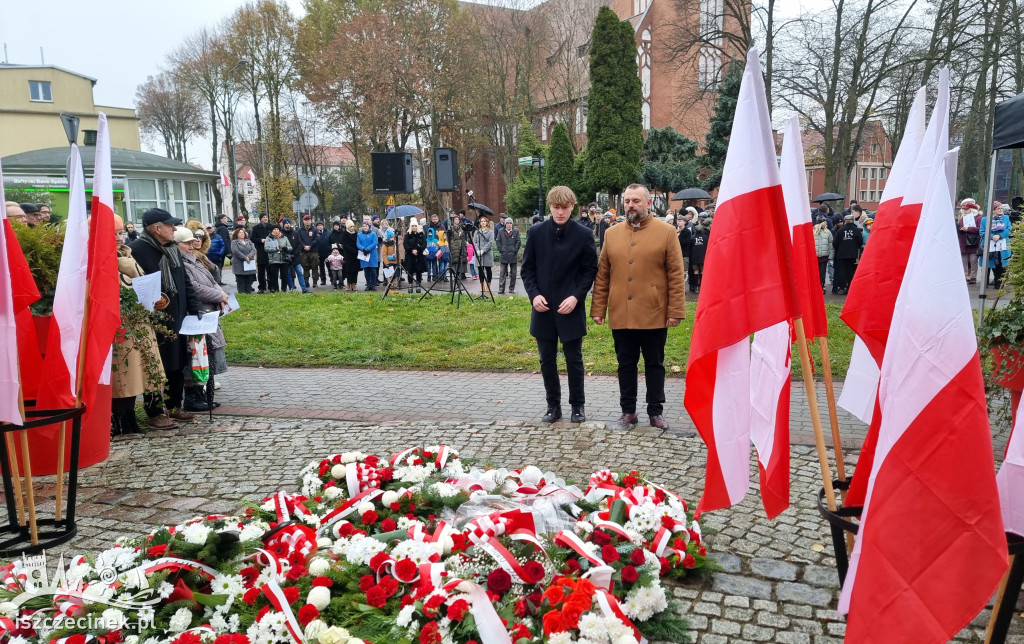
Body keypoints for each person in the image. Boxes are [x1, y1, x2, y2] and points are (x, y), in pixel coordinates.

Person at [590, 183, 686, 431]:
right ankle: (628, 411)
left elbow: (676, 274)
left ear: (648, 203)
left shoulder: (666, 232)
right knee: (625, 364)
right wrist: (598, 308)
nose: (631, 205)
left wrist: (675, 310)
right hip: (621, 312)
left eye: (636, 200)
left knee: (654, 364)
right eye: (627, 201)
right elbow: (603, 275)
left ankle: (656, 411)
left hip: (654, 313)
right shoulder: (611, 233)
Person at [521, 186, 598, 424]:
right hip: (543, 308)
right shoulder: (536, 232)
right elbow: (527, 269)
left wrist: (576, 296)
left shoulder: (584, 234)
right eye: (556, 207)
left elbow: (589, 271)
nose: (560, 212)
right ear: (550, 207)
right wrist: (534, 295)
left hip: (571, 307)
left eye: (565, 208)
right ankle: (553, 406)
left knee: (574, 359)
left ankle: (578, 406)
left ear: (572, 207)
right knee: (546, 360)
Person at [128, 208, 201, 425]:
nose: (174, 228)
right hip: (154, 320)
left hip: (178, 317)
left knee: (177, 364)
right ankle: (155, 412)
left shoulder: (172, 249)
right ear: (156, 228)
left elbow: (184, 281)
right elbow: (133, 285)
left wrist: (196, 308)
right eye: (170, 225)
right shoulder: (136, 250)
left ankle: (174, 406)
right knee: (156, 364)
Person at [111, 214, 170, 434]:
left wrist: (157, 299)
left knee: (141, 374)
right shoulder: (101, 260)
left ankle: (129, 419)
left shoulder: (128, 258)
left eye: (120, 233)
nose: (118, 238)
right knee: (124, 377)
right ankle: (121, 420)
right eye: (113, 234)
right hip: (122, 327)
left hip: (140, 324)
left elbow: (143, 285)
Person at [177, 226, 228, 412]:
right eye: (187, 243)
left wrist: (221, 293)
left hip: (208, 312)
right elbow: (195, 287)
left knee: (206, 354)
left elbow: (211, 279)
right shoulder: (182, 263)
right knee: (196, 355)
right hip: (196, 313)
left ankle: (205, 394)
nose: (192, 246)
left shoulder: (196, 260)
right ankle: (194, 397)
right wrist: (218, 295)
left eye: (193, 242)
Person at [980, 204, 1012, 289]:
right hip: (989, 245)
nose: (1001, 210)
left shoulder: (1006, 218)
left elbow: (1009, 229)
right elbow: (982, 232)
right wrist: (991, 236)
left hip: (1002, 246)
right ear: (993, 210)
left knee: (1000, 265)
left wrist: (1000, 235)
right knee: (987, 264)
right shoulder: (985, 219)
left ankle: (998, 284)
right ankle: (984, 284)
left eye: (1001, 208)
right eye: (998, 208)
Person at [832, 213, 863, 294]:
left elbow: (834, 243)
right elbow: (860, 242)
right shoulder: (857, 230)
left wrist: (839, 248)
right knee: (851, 271)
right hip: (852, 254)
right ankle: (850, 287)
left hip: (841, 254)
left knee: (842, 271)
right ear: (853, 221)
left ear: (845, 221)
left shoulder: (840, 231)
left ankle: (842, 288)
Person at [495, 216, 522, 294]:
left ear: (512, 224)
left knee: (513, 273)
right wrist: (501, 250)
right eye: (507, 223)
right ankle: (501, 288)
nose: (509, 225)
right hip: (504, 254)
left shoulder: (516, 231)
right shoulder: (501, 231)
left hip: (513, 255)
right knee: (502, 272)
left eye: (510, 223)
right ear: (505, 224)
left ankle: (511, 288)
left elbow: (518, 242)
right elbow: (498, 241)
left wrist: (515, 250)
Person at [957, 199, 980, 284]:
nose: (964, 210)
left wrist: (968, 229)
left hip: (973, 242)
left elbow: (979, 228)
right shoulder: (962, 218)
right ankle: (965, 276)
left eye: (966, 209)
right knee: (964, 261)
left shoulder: (978, 218)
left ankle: (973, 277)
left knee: (973, 260)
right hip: (963, 242)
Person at [265, 225, 292, 292]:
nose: (276, 230)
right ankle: (276, 290)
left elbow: (290, 247)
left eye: (277, 229)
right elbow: (266, 248)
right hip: (273, 260)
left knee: (284, 276)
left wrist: (286, 248)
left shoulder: (284, 237)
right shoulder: (268, 238)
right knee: (274, 276)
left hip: (284, 259)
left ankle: (284, 289)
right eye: (274, 229)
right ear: (272, 230)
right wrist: (275, 249)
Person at [473, 215, 495, 296]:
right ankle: (482, 285)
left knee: (488, 270)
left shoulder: (490, 232)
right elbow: (474, 241)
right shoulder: (477, 232)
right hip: (479, 254)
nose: (483, 223)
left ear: (487, 222)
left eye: (484, 221)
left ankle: (488, 285)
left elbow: (490, 242)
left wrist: (483, 250)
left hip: (487, 254)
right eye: (481, 221)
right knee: (480, 270)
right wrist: (477, 250)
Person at [298, 213, 322, 287]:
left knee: (315, 267)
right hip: (303, 251)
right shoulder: (299, 230)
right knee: (305, 267)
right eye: (306, 220)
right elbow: (299, 240)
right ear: (303, 221)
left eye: (309, 220)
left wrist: (310, 246)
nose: (307, 221)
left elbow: (317, 239)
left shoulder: (315, 230)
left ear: (311, 221)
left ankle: (315, 282)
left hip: (313, 251)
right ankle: (306, 281)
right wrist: (304, 246)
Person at [251, 213, 273, 293]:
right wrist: (261, 240)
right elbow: (252, 238)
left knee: (270, 271)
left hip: (270, 251)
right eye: (264, 217)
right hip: (260, 251)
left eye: (266, 217)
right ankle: (262, 287)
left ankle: (271, 286)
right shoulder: (256, 228)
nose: (265, 218)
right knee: (261, 271)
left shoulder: (271, 227)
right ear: (261, 219)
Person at [231, 227, 257, 294]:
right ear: (236, 234)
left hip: (248, 264)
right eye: (240, 233)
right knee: (240, 281)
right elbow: (235, 251)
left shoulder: (249, 241)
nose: (242, 234)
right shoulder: (234, 242)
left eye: (243, 232)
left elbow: (253, 250)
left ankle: (248, 294)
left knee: (248, 281)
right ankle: (242, 295)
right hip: (239, 264)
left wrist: (249, 257)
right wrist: (245, 258)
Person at [404, 219, 427, 292]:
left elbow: (424, 243)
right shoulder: (408, 235)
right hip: (410, 255)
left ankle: (418, 285)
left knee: (419, 271)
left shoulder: (421, 234)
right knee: (410, 271)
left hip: (419, 255)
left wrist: (419, 249)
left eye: (415, 226)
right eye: (413, 226)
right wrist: (411, 250)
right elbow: (405, 244)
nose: (414, 227)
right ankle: (410, 285)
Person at [689, 216, 710, 292]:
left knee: (695, 271)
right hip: (703, 257)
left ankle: (694, 287)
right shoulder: (706, 237)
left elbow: (690, 247)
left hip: (694, 257)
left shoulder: (692, 237)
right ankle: (701, 286)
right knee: (702, 271)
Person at [813, 215, 834, 292]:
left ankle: (822, 285)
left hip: (824, 257)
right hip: (815, 257)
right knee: (815, 273)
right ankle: (816, 286)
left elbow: (831, 245)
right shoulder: (812, 231)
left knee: (822, 273)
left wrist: (831, 256)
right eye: (824, 222)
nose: (826, 223)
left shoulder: (828, 232)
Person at [358, 221, 380, 290]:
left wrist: (368, 249)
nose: (365, 227)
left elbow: (374, 243)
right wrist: (363, 249)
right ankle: (368, 284)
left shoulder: (373, 234)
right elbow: (358, 244)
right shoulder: (359, 235)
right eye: (363, 226)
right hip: (364, 255)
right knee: (366, 270)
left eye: (366, 226)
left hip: (372, 254)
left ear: (369, 227)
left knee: (373, 270)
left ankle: (373, 284)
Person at [447, 211, 468, 280]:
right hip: (453, 246)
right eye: (455, 219)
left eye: (458, 219)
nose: (456, 221)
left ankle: (462, 273)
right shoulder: (450, 228)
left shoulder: (462, 228)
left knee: (462, 259)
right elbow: (448, 238)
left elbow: (465, 236)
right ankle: (456, 273)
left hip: (461, 245)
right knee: (455, 260)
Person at [341, 220, 360, 291]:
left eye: (353, 226)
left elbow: (358, 242)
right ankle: (348, 283)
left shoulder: (356, 234)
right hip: (348, 254)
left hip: (356, 254)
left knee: (355, 270)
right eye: (351, 226)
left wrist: (357, 250)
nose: (352, 228)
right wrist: (352, 250)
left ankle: (354, 283)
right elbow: (345, 244)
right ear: (347, 227)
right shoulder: (344, 234)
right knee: (349, 270)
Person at [316, 221, 330, 286]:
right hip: (319, 253)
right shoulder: (315, 233)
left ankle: (332, 279)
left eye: (321, 225)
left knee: (329, 266)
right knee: (321, 268)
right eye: (318, 225)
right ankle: (323, 280)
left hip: (328, 253)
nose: (320, 226)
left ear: (323, 226)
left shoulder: (328, 232)